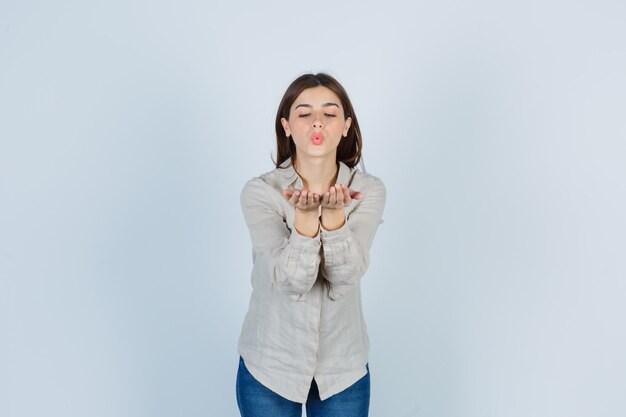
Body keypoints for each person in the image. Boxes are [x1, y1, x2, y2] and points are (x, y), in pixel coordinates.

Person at [235, 72, 386, 417]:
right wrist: (304, 223)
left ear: (346, 125)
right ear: (286, 125)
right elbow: (291, 282)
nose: (317, 122)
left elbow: (345, 277)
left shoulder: (369, 190)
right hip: (269, 365)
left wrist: (334, 220)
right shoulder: (261, 192)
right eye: (304, 113)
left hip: (342, 369)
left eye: (329, 114)